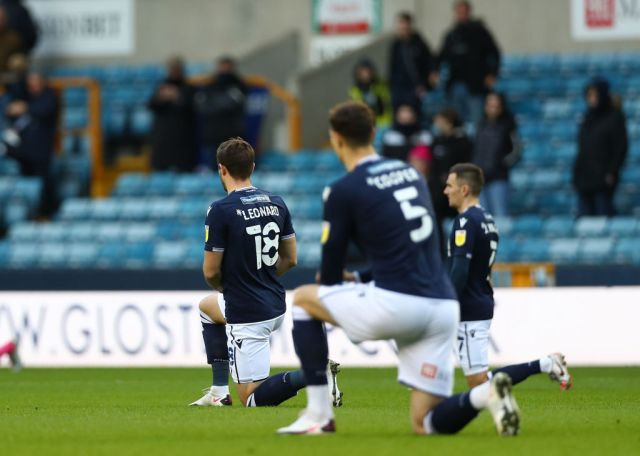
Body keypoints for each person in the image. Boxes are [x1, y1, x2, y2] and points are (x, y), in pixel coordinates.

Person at [277, 101, 521, 437]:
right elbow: (411, 250)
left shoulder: (341, 190)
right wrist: (361, 278)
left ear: (335, 139)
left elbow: (330, 277)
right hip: (442, 308)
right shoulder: (411, 174)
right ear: (374, 134)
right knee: (425, 424)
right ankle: (485, 393)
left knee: (305, 299)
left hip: (398, 306)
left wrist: (341, 288)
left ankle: (319, 414)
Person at [189, 138, 342, 408]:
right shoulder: (276, 202)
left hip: (247, 312)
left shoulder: (221, 209)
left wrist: (231, 287)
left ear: (221, 169)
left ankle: (314, 372)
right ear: (253, 167)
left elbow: (211, 271)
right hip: (274, 302)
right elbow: (291, 258)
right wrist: (260, 279)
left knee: (251, 398)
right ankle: (218, 391)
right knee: (207, 309)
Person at [444, 163, 573, 389]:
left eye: (450, 185)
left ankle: (545, 364)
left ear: (464, 189)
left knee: (479, 383)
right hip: (479, 298)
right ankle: (545, 364)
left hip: (469, 306)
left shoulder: (466, 222)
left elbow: (460, 270)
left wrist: (447, 304)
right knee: (477, 381)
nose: (445, 190)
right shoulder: (487, 218)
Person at [3, 71, 58, 216]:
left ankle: (46, 214)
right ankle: (31, 214)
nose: (33, 86)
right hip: (23, 151)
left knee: (43, 184)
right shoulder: (25, 96)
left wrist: (24, 107)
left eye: (36, 83)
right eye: (30, 83)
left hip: (40, 152)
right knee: (25, 185)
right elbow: (10, 108)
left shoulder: (49, 96)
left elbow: (42, 110)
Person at [437, 1, 501, 126]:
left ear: (469, 12)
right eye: (459, 12)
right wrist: (434, 72)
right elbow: (440, 57)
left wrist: (492, 74)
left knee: (477, 121)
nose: (462, 14)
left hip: (476, 85)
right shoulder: (451, 34)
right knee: (456, 122)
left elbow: (495, 53)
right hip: (456, 85)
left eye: (464, 11)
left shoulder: (480, 32)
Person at [573, 78, 628, 217]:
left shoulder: (614, 118)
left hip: (603, 179)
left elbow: (620, 148)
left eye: (594, 95)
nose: (591, 99)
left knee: (602, 217)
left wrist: (612, 171)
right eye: (589, 96)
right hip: (584, 179)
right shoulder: (587, 118)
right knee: (585, 222)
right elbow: (582, 148)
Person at [428, 108, 473, 254]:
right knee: (437, 221)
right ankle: (440, 252)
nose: (436, 123)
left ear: (447, 121)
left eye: (439, 119)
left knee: (461, 221)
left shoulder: (462, 141)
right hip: (439, 192)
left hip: (458, 190)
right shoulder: (437, 141)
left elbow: (467, 165)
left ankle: (462, 250)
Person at [195, 56, 248, 171]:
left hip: (232, 135)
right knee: (213, 171)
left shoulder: (240, 85)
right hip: (212, 134)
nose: (224, 70)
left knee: (233, 169)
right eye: (222, 67)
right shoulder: (210, 85)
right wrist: (221, 103)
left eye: (227, 67)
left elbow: (233, 103)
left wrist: (214, 104)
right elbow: (202, 106)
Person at [472, 92, 520, 217]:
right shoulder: (479, 125)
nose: (493, 108)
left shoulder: (508, 126)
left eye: (496, 105)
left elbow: (517, 151)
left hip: (498, 178)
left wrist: (501, 164)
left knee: (500, 216)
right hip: (479, 178)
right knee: (481, 216)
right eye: (490, 105)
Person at [147, 56, 196, 172]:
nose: (173, 72)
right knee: (160, 171)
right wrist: (161, 98)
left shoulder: (189, 88)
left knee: (184, 171)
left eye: (176, 69)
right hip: (162, 137)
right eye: (171, 69)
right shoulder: (161, 86)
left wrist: (177, 97)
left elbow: (192, 108)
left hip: (182, 137)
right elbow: (151, 105)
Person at [388, 12, 437, 111]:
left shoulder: (419, 42)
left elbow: (429, 61)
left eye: (405, 24)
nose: (403, 27)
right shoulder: (395, 44)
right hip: (398, 88)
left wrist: (423, 84)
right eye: (401, 24)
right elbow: (392, 68)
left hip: (416, 88)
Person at [349, 59, 392, 128]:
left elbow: (387, 102)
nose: (366, 75)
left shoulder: (381, 85)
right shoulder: (355, 91)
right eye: (363, 73)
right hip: (368, 125)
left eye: (367, 72)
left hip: (386, 122)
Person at [0, 5, 22, 72]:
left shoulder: (13, 38)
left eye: (2, 19)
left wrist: (18, 61)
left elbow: (21, 55)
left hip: (7, 76)